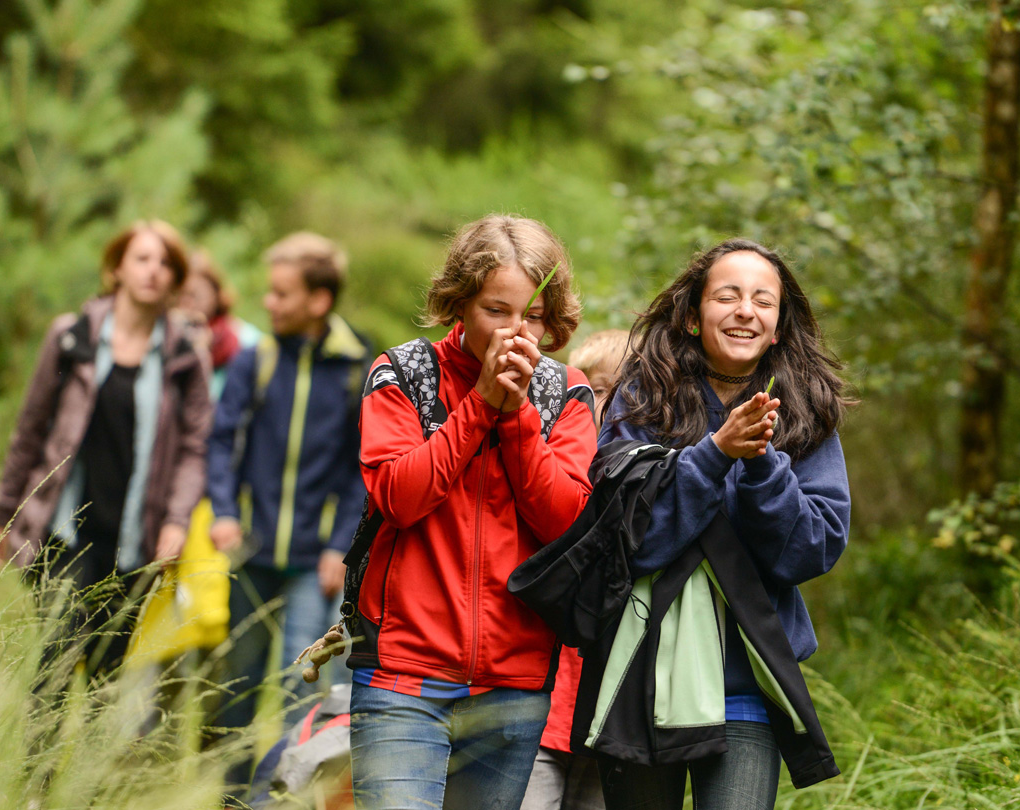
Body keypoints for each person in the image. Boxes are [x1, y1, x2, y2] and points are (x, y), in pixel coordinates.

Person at [347, 215, 598, 810]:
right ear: (460, 304)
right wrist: (480, 405)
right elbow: (398, 497)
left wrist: (516, 419)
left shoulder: (567, 394)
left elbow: (567, 525)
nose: (517, 331)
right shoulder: (402, 375)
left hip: (514, 683)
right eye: (497, 310)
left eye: (532, 316)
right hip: (403, 676)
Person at [595, 238, 852, 810]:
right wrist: (714, 454)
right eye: (728, 297)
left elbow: (810, 551)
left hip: (746, 690)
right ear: (692, 316)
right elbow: (624, 541)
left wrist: (760, 464)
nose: (746, 312)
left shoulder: (805, 413)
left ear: (779, 325)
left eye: (763, 301)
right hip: (644, 680)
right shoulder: (641, 399)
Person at [0, 219, 213, 680]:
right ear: (117, 268)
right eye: (142, 258)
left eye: (165, 263)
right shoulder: (72, 337)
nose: (153, 271)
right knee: (55, 662)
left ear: (176, 277)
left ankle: (90, 754)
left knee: (106, 672)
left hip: (135, 538)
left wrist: (176, 519)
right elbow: (29, 429)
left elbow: (194, 449)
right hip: (63, 530)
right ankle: (39, 757)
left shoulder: (186, 355)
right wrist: (1, 517)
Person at [206, 232, 372, 787]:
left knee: (301, 688)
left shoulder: (357, 368)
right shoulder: (257, 359)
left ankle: (274, 799)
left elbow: (362, 469)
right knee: (236, 687)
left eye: (281, 294)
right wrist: (225, 511)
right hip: (249, 550)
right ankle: (229, 798)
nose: (270, 304)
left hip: (314, 565)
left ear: (318, 301)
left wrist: (339, 548)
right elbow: (221, 442)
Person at [521, 328, 628, 810]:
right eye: (592, 389)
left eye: (618, 390)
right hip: (544, 706)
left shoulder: (647, 478)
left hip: (610, 711)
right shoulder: (555, 466)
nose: (600, 402)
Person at [178, 250, 263, 399]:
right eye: (182, 296)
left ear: (215, 295)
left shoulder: (246, 339)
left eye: (196, 295)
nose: (189, 304)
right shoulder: (168, 337)